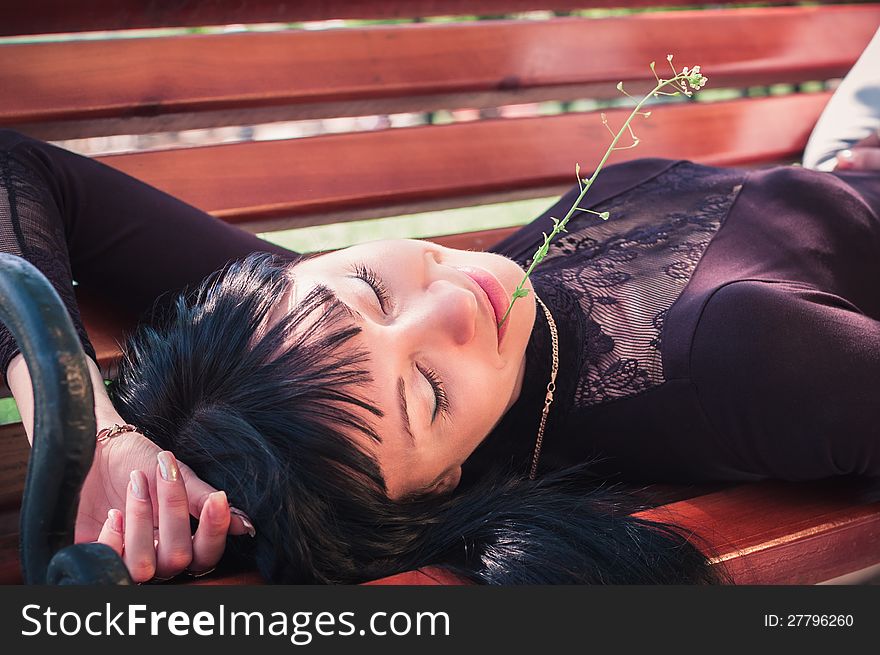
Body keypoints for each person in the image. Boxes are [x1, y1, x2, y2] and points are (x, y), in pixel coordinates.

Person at [2, 27, 879, 584]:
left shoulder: (307, 343)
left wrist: (83, 429)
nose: (452, 305)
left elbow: (16, 166)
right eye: (428, 390)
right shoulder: (748, 358)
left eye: (372, 287)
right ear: (446, 482)